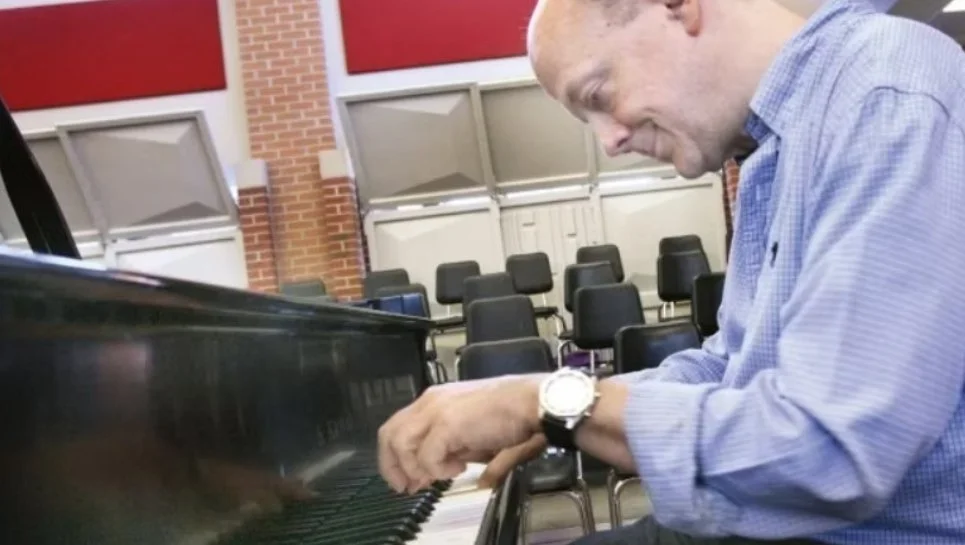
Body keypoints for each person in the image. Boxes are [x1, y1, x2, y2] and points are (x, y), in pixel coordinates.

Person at [376, 0, 965, 543]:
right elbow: (729, 366)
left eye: (598, 94)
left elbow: (829, 455)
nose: (608, 142)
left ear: (678, 7)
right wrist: (564, 405)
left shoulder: (883, 95)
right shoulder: (771, 146)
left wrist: (543, 402)